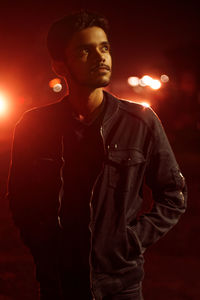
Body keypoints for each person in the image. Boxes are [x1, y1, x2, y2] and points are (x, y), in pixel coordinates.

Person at [7, 10, 187, 300]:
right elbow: (20, 198)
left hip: (121, 286)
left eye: (104, 48)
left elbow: (174, 194)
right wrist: (42, 245)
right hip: (59, 283)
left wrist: (132, 240)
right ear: (59, 65)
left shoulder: (140, 122)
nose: (100, 57)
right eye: (85, 51)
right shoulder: (34, 126)